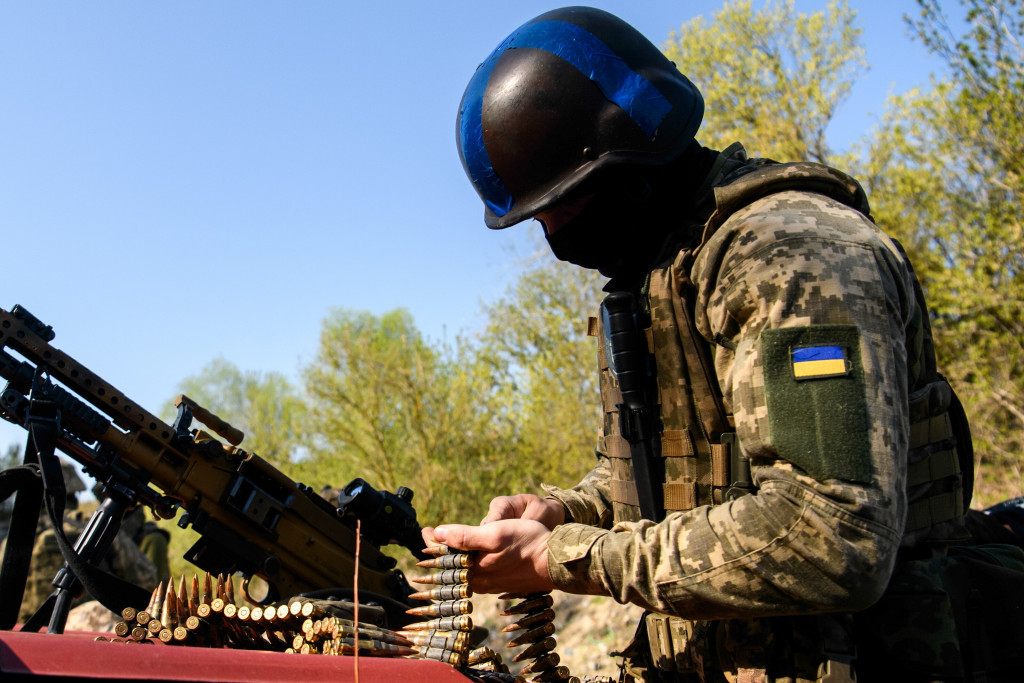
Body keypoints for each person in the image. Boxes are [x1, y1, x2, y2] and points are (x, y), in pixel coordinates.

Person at [424, 6, 1024, 682]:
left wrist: (568, 556)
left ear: (629, 162)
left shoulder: (792, 254)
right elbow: (678, 477)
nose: (554, 237)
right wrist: (566, 509)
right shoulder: (661, 276)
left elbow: (831, 532)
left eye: (562, 204)